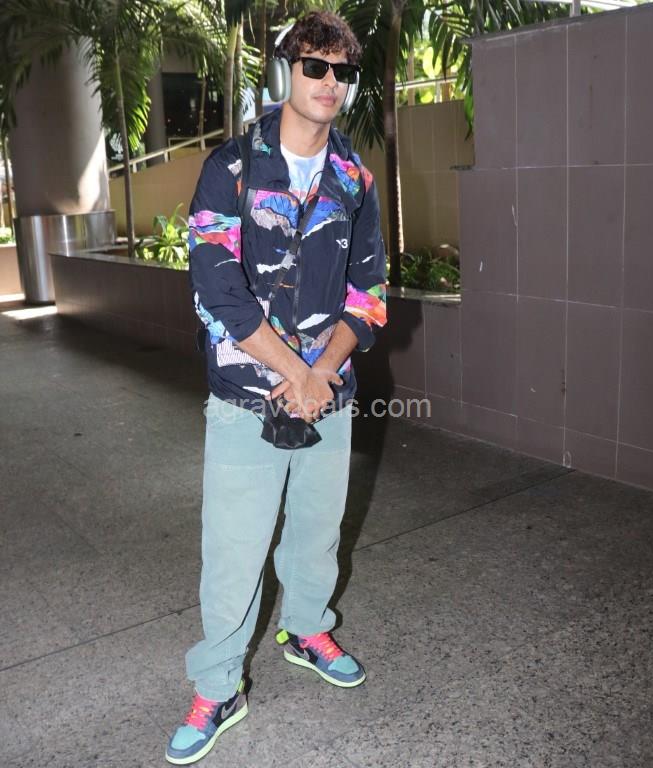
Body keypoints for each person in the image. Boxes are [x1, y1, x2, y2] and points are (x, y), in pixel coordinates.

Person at [165, 10, 387, 766]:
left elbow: (369, 294)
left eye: (342, 71)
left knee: (318, 530)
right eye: (315, 66)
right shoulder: (230, 167)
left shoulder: (355, 178)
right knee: (233, 552)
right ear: (287, 71)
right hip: (246, 392)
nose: (329, 82)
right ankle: (219, 685)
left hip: (329, 393)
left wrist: (321, 375)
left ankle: (307, 628)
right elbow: (216, 288)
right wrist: (296, 373)